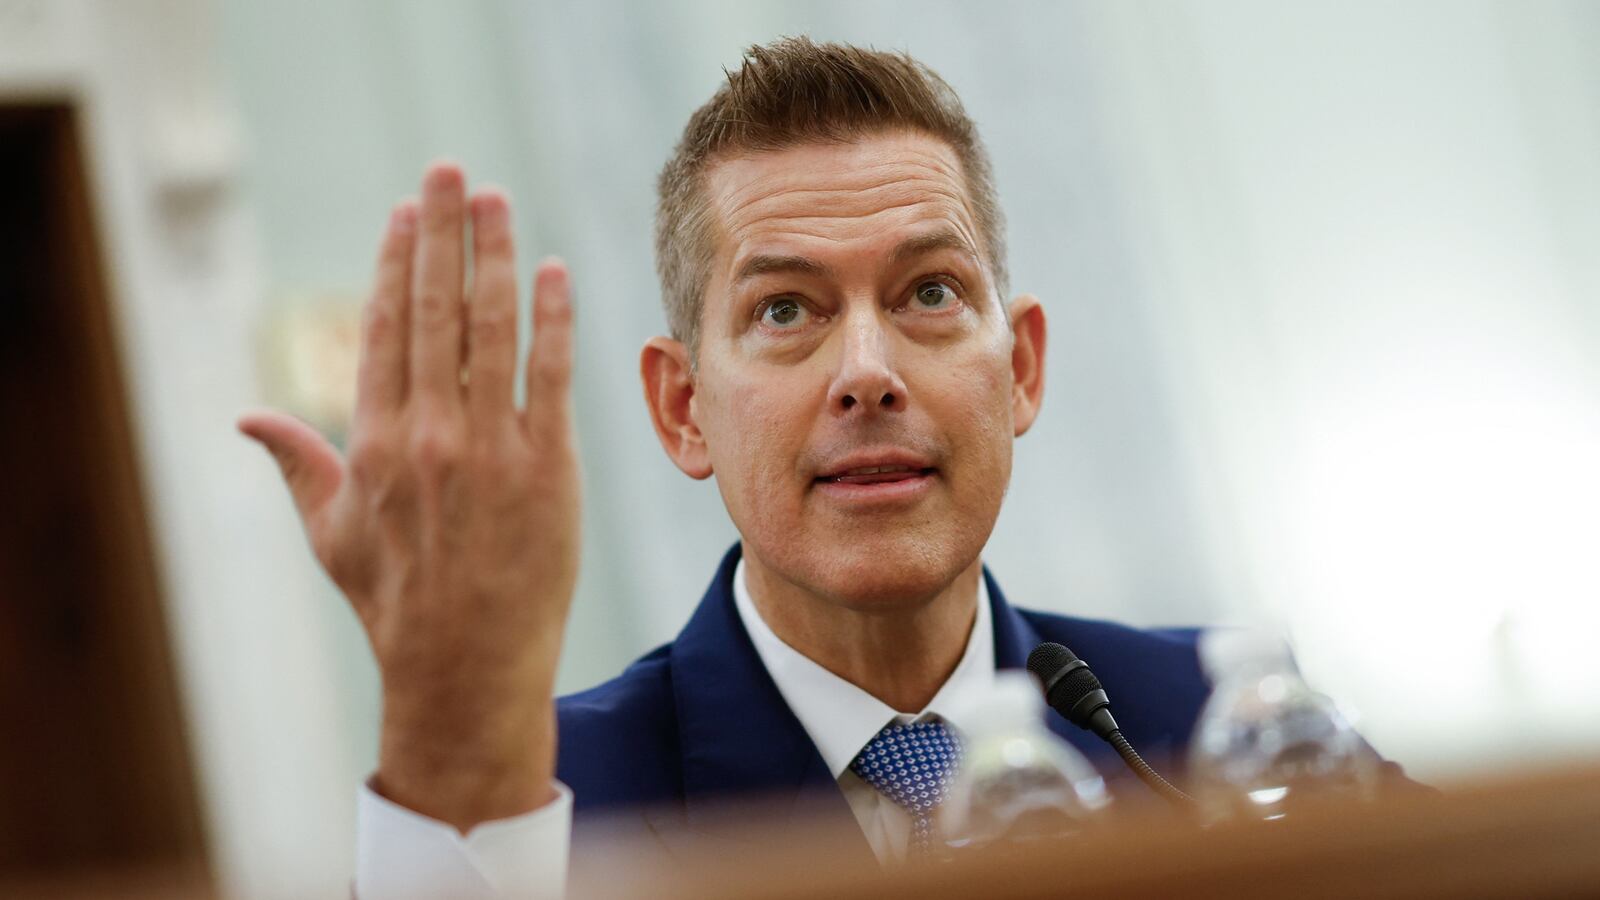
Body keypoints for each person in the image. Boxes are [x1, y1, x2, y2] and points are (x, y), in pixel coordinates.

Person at [238, 37, 1358, 899]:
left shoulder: (1220, 728)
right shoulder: (543, 803)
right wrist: (452, 730)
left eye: (928, 292)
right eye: (785, 309)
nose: (866, 374)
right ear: (684, 410)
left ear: (1017, 368)